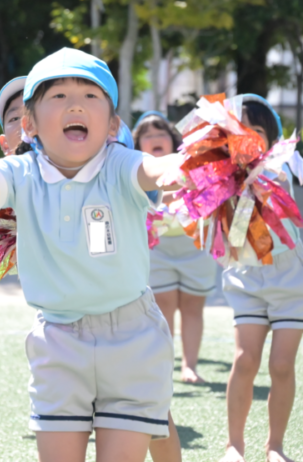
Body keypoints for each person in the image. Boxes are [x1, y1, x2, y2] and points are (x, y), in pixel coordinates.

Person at [0, 48, 180, 462]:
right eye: (59, 96)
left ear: (113, 123)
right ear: (28, 124)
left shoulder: (120, 163)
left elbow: (157, 170)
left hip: (132, 337)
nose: (75, 105)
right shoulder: (20, 173)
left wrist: (186, 167)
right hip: (58, 342)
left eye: (90, 96)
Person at [219, 95, 302, 462]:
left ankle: (275, 447)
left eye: (257, 130)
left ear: (271, 135)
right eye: (241, 131)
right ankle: (234, 446)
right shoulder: (220, 175)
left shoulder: (292, 164)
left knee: (282, 364)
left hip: (293, 283)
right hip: (247, 280)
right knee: (245, 359)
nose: (249, 137)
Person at [136, 111, 215, 386]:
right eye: (148, 135)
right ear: (138, 144)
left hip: (196, 246)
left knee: (194, 307)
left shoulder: (191, 163)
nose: (155, 139)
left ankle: (189, 366)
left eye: (161, 134)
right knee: (164, 307)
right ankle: (166, 367)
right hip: (157, 250)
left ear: (172, 141)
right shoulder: (134, 169)